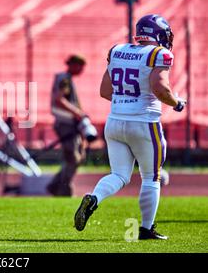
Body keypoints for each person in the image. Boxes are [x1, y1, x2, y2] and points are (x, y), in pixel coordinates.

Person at [74, 14, 186, 240]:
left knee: (119, 174)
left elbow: (105, 91)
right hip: (144, 122)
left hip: (115, 122)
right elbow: (160, 88)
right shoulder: (159, 53)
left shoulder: (117, 50)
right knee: (151, 177)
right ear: (158, 33)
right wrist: (177, 103)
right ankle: (146, 229)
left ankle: (94, 198)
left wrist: (127, 102)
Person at [47, 55, 88, 196]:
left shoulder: (67, 79)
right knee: (73, 158)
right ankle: (64, 189)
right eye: (80, 66)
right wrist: (77, 113)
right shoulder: (64, 79)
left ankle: (55, 185)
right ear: (73, 65)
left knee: (77, 157)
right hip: (65, 124)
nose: (82, 70)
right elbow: (59, 99)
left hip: (70, 124)